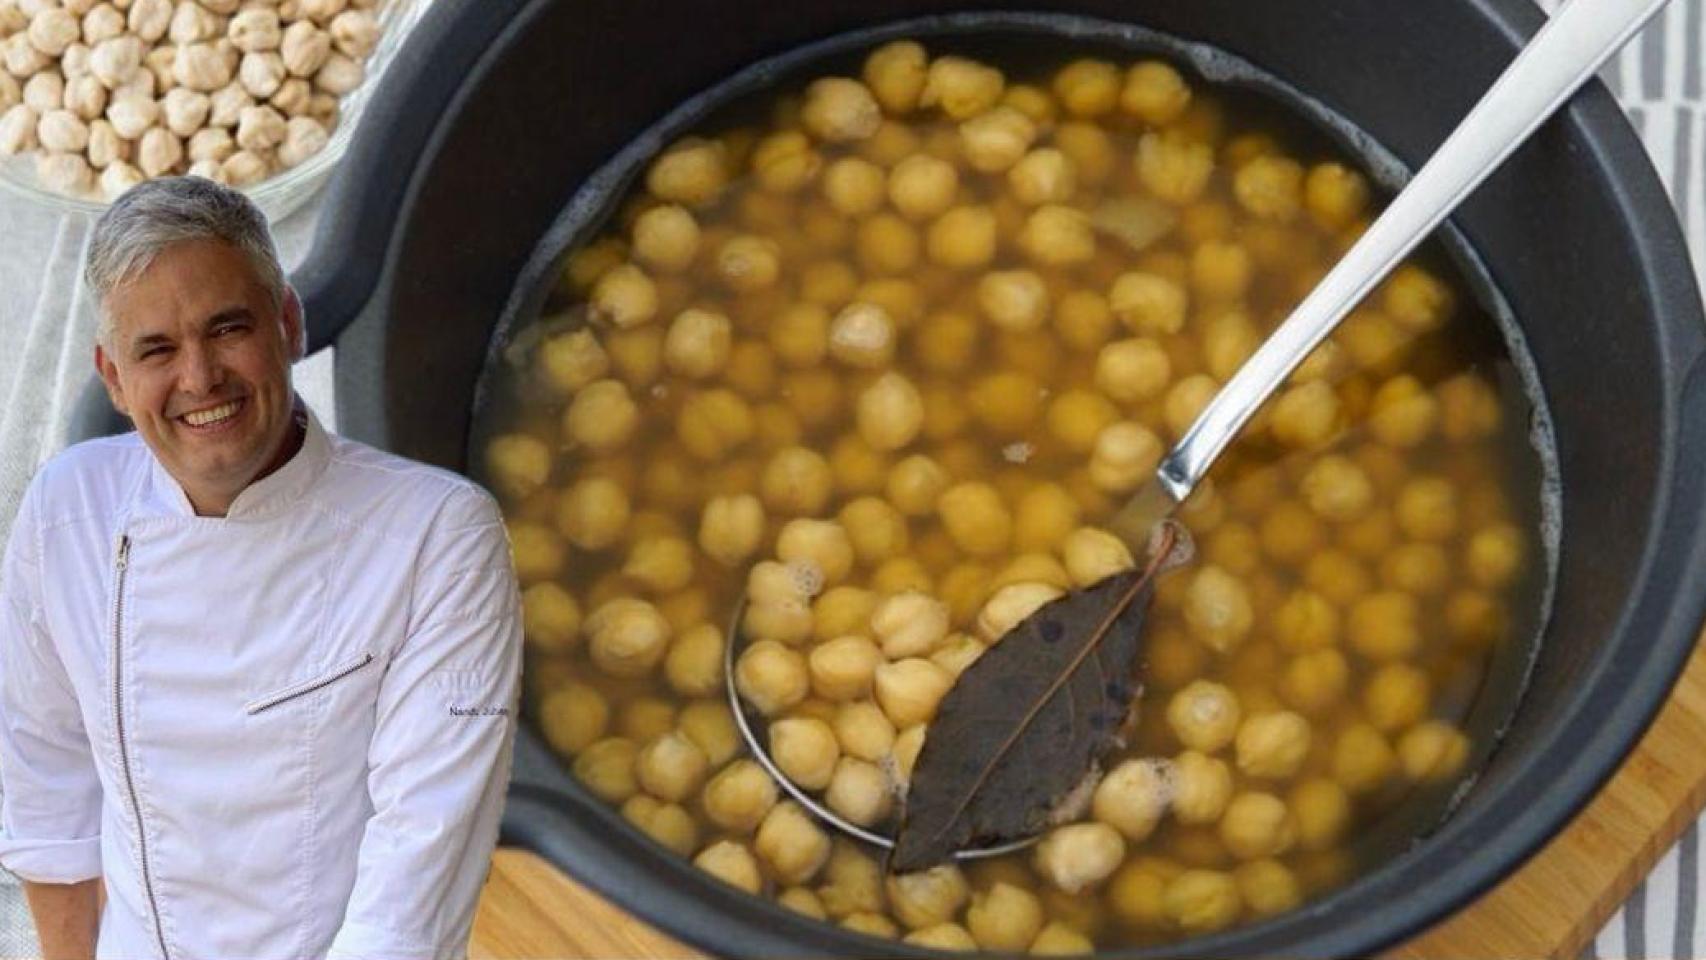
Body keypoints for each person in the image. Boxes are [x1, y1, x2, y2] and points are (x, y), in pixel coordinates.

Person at [0, 176, 523, 959]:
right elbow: (46, 788)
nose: (200, 377)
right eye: (157, 351)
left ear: (289, 325)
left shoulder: (437, 538)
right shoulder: (67, 511)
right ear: (112, 378)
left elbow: (412, 889)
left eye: (228, 328)